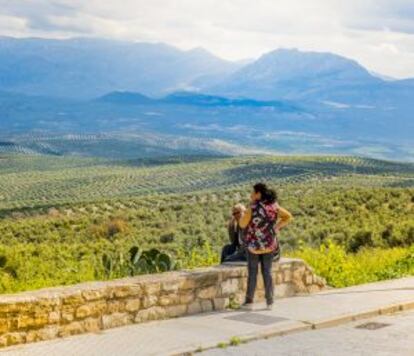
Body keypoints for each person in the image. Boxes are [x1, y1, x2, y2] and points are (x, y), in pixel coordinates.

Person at [238, 183, 293, 310]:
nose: (251, 195)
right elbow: (288, 216)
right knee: (267, 272)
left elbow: (242, 225)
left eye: (253, 192)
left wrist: (243, 215)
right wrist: (276, 227)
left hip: (254, 246)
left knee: (253, 272)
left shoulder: (252, 208)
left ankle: (249, 301)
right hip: (269, 245)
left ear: (258, 193)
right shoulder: (274, 206)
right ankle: (270, 302)